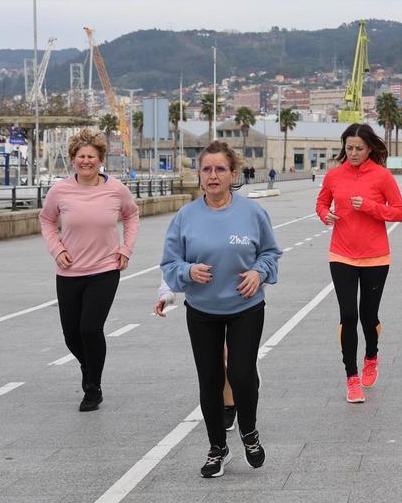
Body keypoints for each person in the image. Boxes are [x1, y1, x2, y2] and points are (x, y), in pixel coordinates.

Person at [157, 141, 281, 478]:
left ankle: (249, 432)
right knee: (210, 379)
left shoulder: (252, 214)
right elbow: (170, 263)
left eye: (220, 169)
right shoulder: (186, 216)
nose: (213, 175)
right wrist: (187, 272)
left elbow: (271, 253)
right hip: (202, 310)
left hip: (245, 306)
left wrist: (259, 273)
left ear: (233, 175)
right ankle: (217, 448)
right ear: (199, 175)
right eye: (207, 169)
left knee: (241, 373)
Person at [39, 129, 140, 411]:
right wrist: (57, 249)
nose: (86, 161)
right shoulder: (59, 190)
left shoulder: (116, 189)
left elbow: (132, 215)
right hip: (69, 272)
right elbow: (47, 221)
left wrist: (126, 249)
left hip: (105, 270)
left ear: (100, 160)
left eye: (91, 157)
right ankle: (89, 364)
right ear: (73, 160)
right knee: (71, 334)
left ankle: (92, 388)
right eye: (81, 156)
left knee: (90, 328)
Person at [316, 124, 402, 403]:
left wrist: (369, 206)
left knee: (368, 317)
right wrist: (325, 215)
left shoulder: (382, 177)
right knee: (348, 315)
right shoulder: (333, 176)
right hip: (341, 254)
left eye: (359, 148)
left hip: (375, 257)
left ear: (370, 149)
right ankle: (352, 378)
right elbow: (321, 203)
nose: (353, 153)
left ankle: (371, 356)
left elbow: (400, 213)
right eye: (349, 147)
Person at [157, 279, 237, 431]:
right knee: (215, 354)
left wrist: (257, 278)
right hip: (203, 304)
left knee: (238, 359)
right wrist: (166, 294)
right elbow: (172, 262)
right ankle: (228, 403)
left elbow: (263, 259)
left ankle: (246, 372)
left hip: (241, 299)